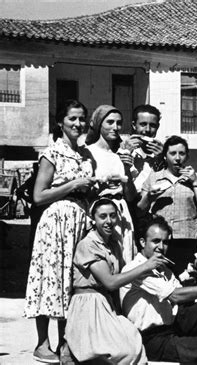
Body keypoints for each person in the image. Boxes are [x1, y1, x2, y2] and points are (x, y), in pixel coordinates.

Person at [24, 100, 95, 363]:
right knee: (49, 278)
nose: (78, 124)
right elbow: (38, 195)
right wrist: (73, 184)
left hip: (79, 220)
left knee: (70, 281)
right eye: (72, 119)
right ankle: (42, 343)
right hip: (55, 222)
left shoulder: (85, 155)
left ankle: (66, 342)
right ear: (60, 122)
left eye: (82, 119)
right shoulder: (51, 153)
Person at [120, 216, 197, 363]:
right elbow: (176, 296)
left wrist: (193, 273)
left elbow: (180, 293)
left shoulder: (162, 266)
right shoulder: (137, 268)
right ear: (142, 242)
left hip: (173, 325)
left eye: (165, 242)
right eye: (156, 241)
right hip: (151, 338)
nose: (161, 246)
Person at [65, 198, 153, 364]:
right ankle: (70, 349)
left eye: (112, 216)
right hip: (88, 305)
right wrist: (146, 266)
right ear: (94, 219)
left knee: (134, 344)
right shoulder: (88, 244)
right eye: (103, 216)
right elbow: (110, 282)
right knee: (120, 351)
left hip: (106, 303)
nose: (108, 221)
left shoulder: (114, 244)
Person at [137, 135, 197, 276]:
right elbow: (140, 209)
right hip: (161, 241)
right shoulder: (154, 177)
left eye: (181, 153)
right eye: (172, 153)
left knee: (187, 280)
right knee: (160, 280)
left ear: (187, 156)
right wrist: (150, 196)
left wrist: (194, 182)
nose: (177, 158)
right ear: (165, 156)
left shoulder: (195, 177)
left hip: (186, 239)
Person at [85, 105, 137, 264]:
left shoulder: (121, 154)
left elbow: (131, 195)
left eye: (119, 123)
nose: (116, 127)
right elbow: (85, 189)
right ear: (99, 124)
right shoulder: (89, 152)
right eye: (110, 122)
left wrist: (127, 169)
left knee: (123, 256)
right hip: (100, 210)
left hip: (121, 211)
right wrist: (102, 183)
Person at [120, 104, 163, 193]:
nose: (147, 129)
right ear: (134, 125)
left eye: (152, 125)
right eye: (143, 124)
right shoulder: (121, 149)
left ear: (157, 127)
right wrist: (126, 152)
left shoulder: (163, 153)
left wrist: (161, 160)